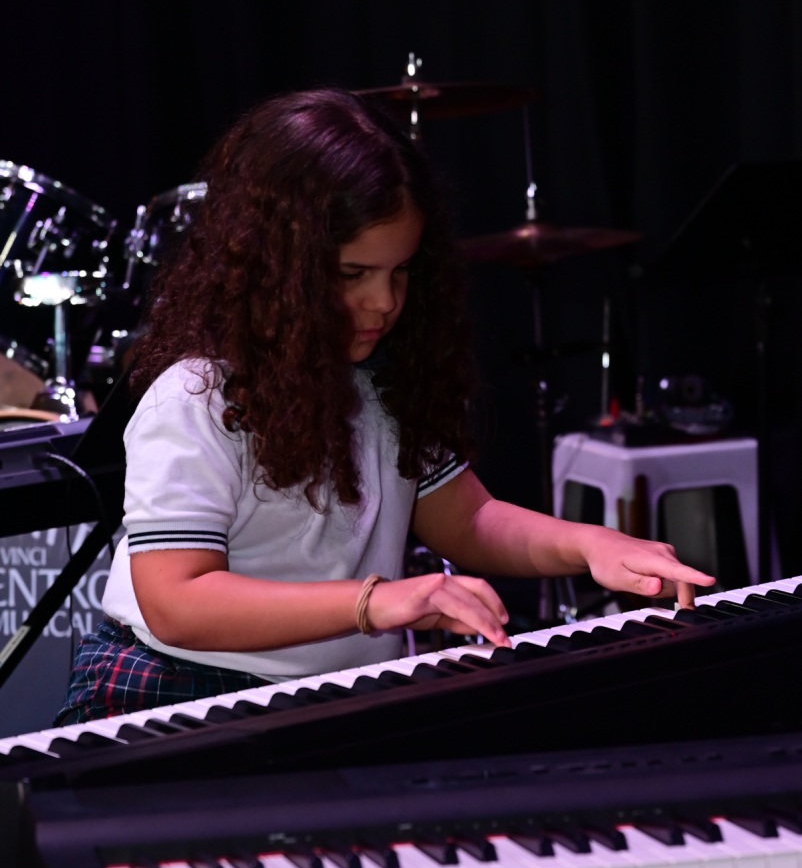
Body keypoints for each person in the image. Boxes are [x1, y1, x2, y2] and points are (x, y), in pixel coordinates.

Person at [56, 89, 714, 724]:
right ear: (276, 270)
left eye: (400, 271)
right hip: (176, 692)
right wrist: (377, 602)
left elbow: (469, 520)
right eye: (353, 274)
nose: (386, 302)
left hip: (325, 693)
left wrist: (590, 544)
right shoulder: (197, 395)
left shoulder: (378, 381)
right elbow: (177, 601)